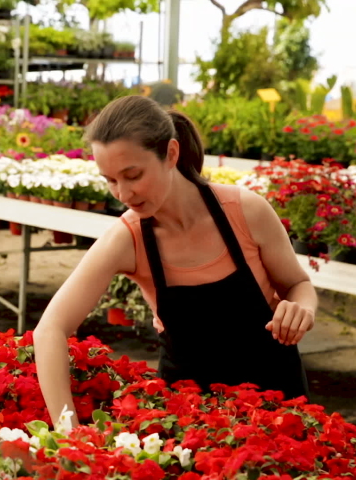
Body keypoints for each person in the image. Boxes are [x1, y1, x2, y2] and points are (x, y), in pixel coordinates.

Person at [33, 95, 317, 429]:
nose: (124, 194)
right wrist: (68, 434)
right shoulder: (127, 238)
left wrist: (303, 309)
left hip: (278, 407)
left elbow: (298, 285)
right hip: (190, 424)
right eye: (110, 180)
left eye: (133, 175)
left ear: (171, 153)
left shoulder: (246, 211)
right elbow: (50, 329)